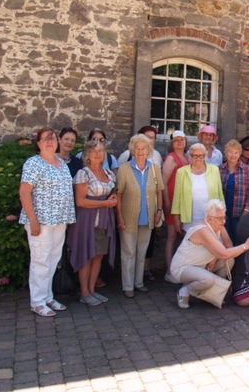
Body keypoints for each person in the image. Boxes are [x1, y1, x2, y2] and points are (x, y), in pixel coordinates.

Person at [19, 127, 76, 317]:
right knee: (40, 261)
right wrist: (33, 221)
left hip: (59, 221)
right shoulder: (34, 163)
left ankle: (48, 296)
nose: (50, 141)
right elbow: (24, 192)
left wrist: (67, 217)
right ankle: (37, 301)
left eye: (53, 138)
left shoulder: (61, 163)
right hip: (41, 222)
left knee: (53, 260)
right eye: (45, 139)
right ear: (38, 143)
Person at [170, 199, 249, 309]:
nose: (224, 221)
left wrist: (216, 257)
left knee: (229, 261)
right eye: (220, 218)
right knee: (208, 279)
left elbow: (229, 246)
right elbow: (225, 253)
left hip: (202, 265)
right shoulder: (203, 230)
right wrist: (247, 245)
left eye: (224, 217)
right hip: (183, 267)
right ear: (210, 218)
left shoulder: (219, 226)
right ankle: (185, 291)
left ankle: (211, 293)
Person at [67, 140, 117, 306]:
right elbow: (81, 201)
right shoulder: (83, 174)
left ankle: (93, 290)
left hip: (104, 220)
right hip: (87, 220)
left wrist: (112, 199)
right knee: (86, 256)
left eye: (101, 151)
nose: (98, 154)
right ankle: (85, 293)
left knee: (98, 256)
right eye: (94, 151)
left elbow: (111, 193)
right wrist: (104, 203)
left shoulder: (108, 173)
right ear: (87, 155)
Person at [116, 134, 164, 298]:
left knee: (142, 252)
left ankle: (139, 283)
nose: (140, 151)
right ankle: (127, 286)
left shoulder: (155, 168)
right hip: (129, 217)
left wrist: (159, 211)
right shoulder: (124, 169)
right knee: (128, 252)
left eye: (144, 148)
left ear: (149, 150)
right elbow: (119, 195)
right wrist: (120, 217)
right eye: (137, 148)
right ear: (132, 149)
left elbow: (159, 192)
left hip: (148, 216)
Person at [171, 143, 224, 233]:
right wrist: (176, 218)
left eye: (201, 155)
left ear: (205, 156)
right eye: (195, 155)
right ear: (190, 156)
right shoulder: (182, 172)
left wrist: (222, 213)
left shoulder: (215, 170)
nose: (198, 158)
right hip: (190, 218)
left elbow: (220, 194)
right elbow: (177, 197)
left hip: (211, 217)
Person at [162, 130, 190, 283]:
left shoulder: (187, 157)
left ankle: (180, 268)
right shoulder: (171, 158)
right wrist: (167, 203)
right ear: (172, 143)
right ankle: (169, 271)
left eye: (182, 139)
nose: (179, 142)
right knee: (172, 237)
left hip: (184, 203)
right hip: (173, 203)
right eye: (176, 140)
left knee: (182, 236)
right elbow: (164, 182)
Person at [220, 139, 249, 245]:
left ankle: (238, 261)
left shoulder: (246, 169)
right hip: (223, 210)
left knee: (238, 237)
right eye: (230, 152)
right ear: (226, 153)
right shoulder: (220, 169)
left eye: (236, 152)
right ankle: (226, 260)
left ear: (240, 154)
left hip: (240, 210)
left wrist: (247, 209)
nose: (233, 155)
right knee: (224, 237)